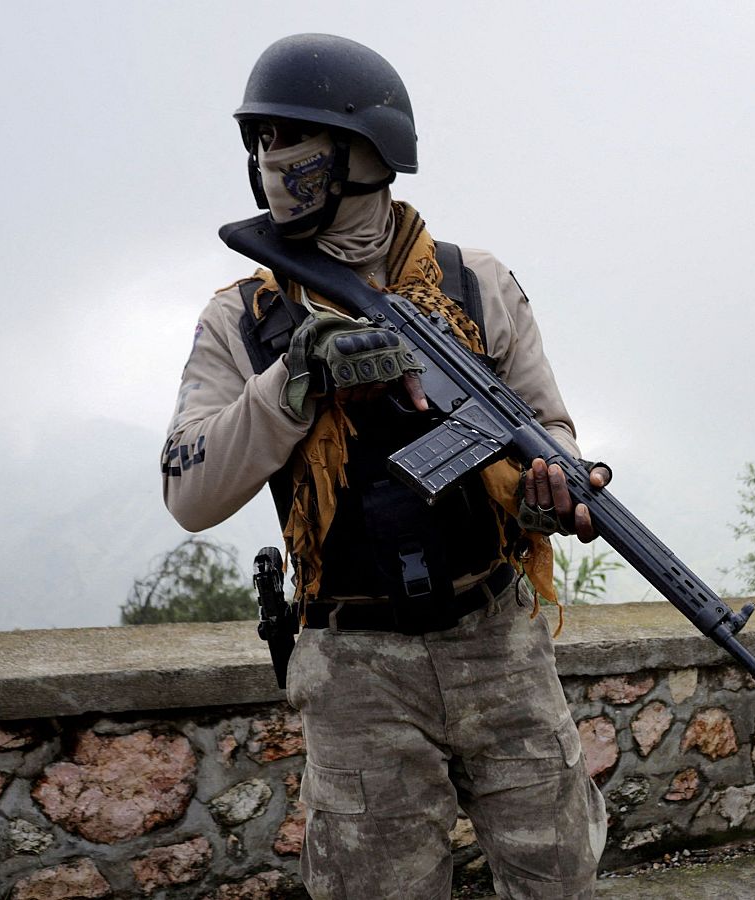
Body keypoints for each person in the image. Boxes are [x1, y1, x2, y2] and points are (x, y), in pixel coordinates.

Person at [162, 33, 608, 899]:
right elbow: (189, 492)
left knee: (559, 878)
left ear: (364, 150)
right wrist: (292, 382)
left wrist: (554, 495)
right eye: (260, 141)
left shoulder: (474, 283)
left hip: (498, 639)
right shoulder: (244, 317)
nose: (269, 159)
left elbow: (549, 432)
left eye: (291, 136)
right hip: (355, 660)